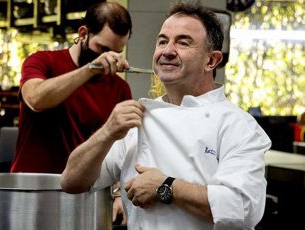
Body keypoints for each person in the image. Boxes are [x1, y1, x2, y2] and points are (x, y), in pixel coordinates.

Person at [61, 3, 272, 230]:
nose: (167, 51)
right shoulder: (136, 120)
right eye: (162, 41)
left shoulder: (238, 125)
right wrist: (107, 132)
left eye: (183, 42)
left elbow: (243, 209)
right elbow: (71, 182)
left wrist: (166, 187)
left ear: (211, 61)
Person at [10, 2, 132, 225]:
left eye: (117, 52)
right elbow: (35, 99)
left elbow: (119, 151)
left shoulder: (120, 89)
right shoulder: (42, 61)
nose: (109, 59)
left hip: (84, 197)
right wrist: (89, 69)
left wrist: (117, 194)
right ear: (83, 33)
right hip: (29, 193)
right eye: (103, 49)